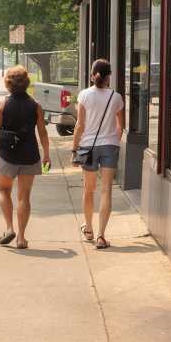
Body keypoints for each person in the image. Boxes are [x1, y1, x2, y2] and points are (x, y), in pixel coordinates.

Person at [0, 65, 51, 249]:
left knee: (4, 191)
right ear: (26, 83)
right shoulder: (36, 105)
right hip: (30, 155)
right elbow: (43, 133)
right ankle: (21, 238)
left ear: (8, 83)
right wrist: (46, 155)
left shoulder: (3, 105)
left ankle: (9, 229)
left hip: (7, 155)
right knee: (24, 197)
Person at [71, 59, 124, 250]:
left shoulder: (84, 95)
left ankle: (89, 230)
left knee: (89, 189)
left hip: (88, 147)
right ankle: (102, 236)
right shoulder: (116, 97)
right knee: (106, 191)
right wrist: (113, 141)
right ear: (109, 75)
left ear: (92, 75)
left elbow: (79, 125)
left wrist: (74, 150)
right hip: (110, 146)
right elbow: (120, 128)